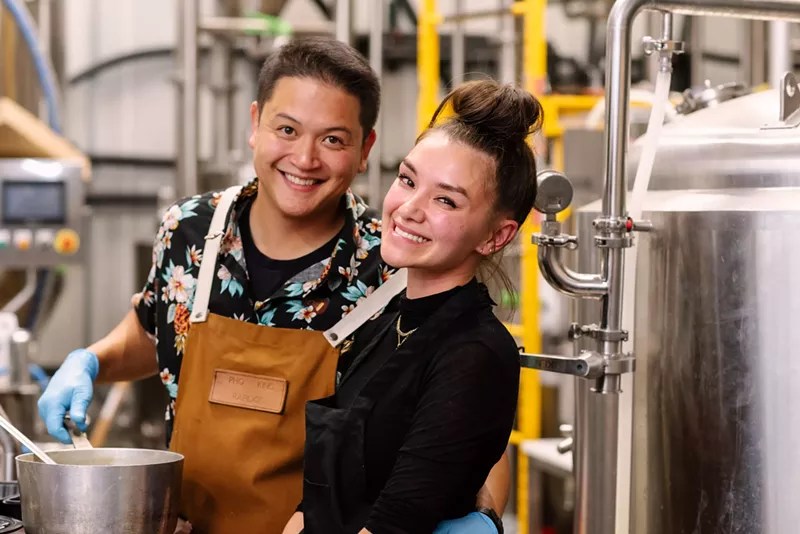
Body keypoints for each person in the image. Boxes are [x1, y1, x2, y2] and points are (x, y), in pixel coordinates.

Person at [36, 38, 509, 533]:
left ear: (366, 148)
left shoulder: (392, 264)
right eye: (286, 129)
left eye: (333, 140)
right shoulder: (190, 228)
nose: (304, 159)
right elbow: (158, 330)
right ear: (255, 124)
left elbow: (465, 421)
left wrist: (482, 516)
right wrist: (90, 362)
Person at [283, 79, 542, 534]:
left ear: (495, 236)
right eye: (407, 180)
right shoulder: (385, 320)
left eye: (445, 199)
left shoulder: (474, 355)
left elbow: (395, 524)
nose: (408, 209)